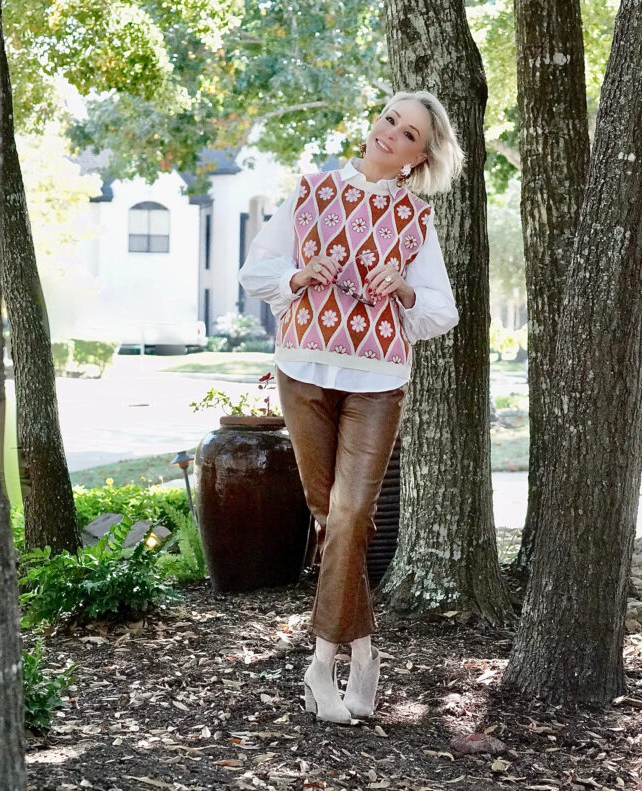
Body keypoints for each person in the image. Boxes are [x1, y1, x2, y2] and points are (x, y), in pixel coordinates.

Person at [239, 90, 463, 724]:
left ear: (418, 160)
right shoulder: (311, 191)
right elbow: (256, 271)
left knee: (352, 512)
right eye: (391, 119)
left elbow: (441, 312)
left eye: (410, 134)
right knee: (334, 519)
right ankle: (364, 659)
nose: (392, 133)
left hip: (376, 382)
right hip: (303, 371)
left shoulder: (416, 222)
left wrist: (405, 291)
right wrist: (298, 275)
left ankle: (320, 666)